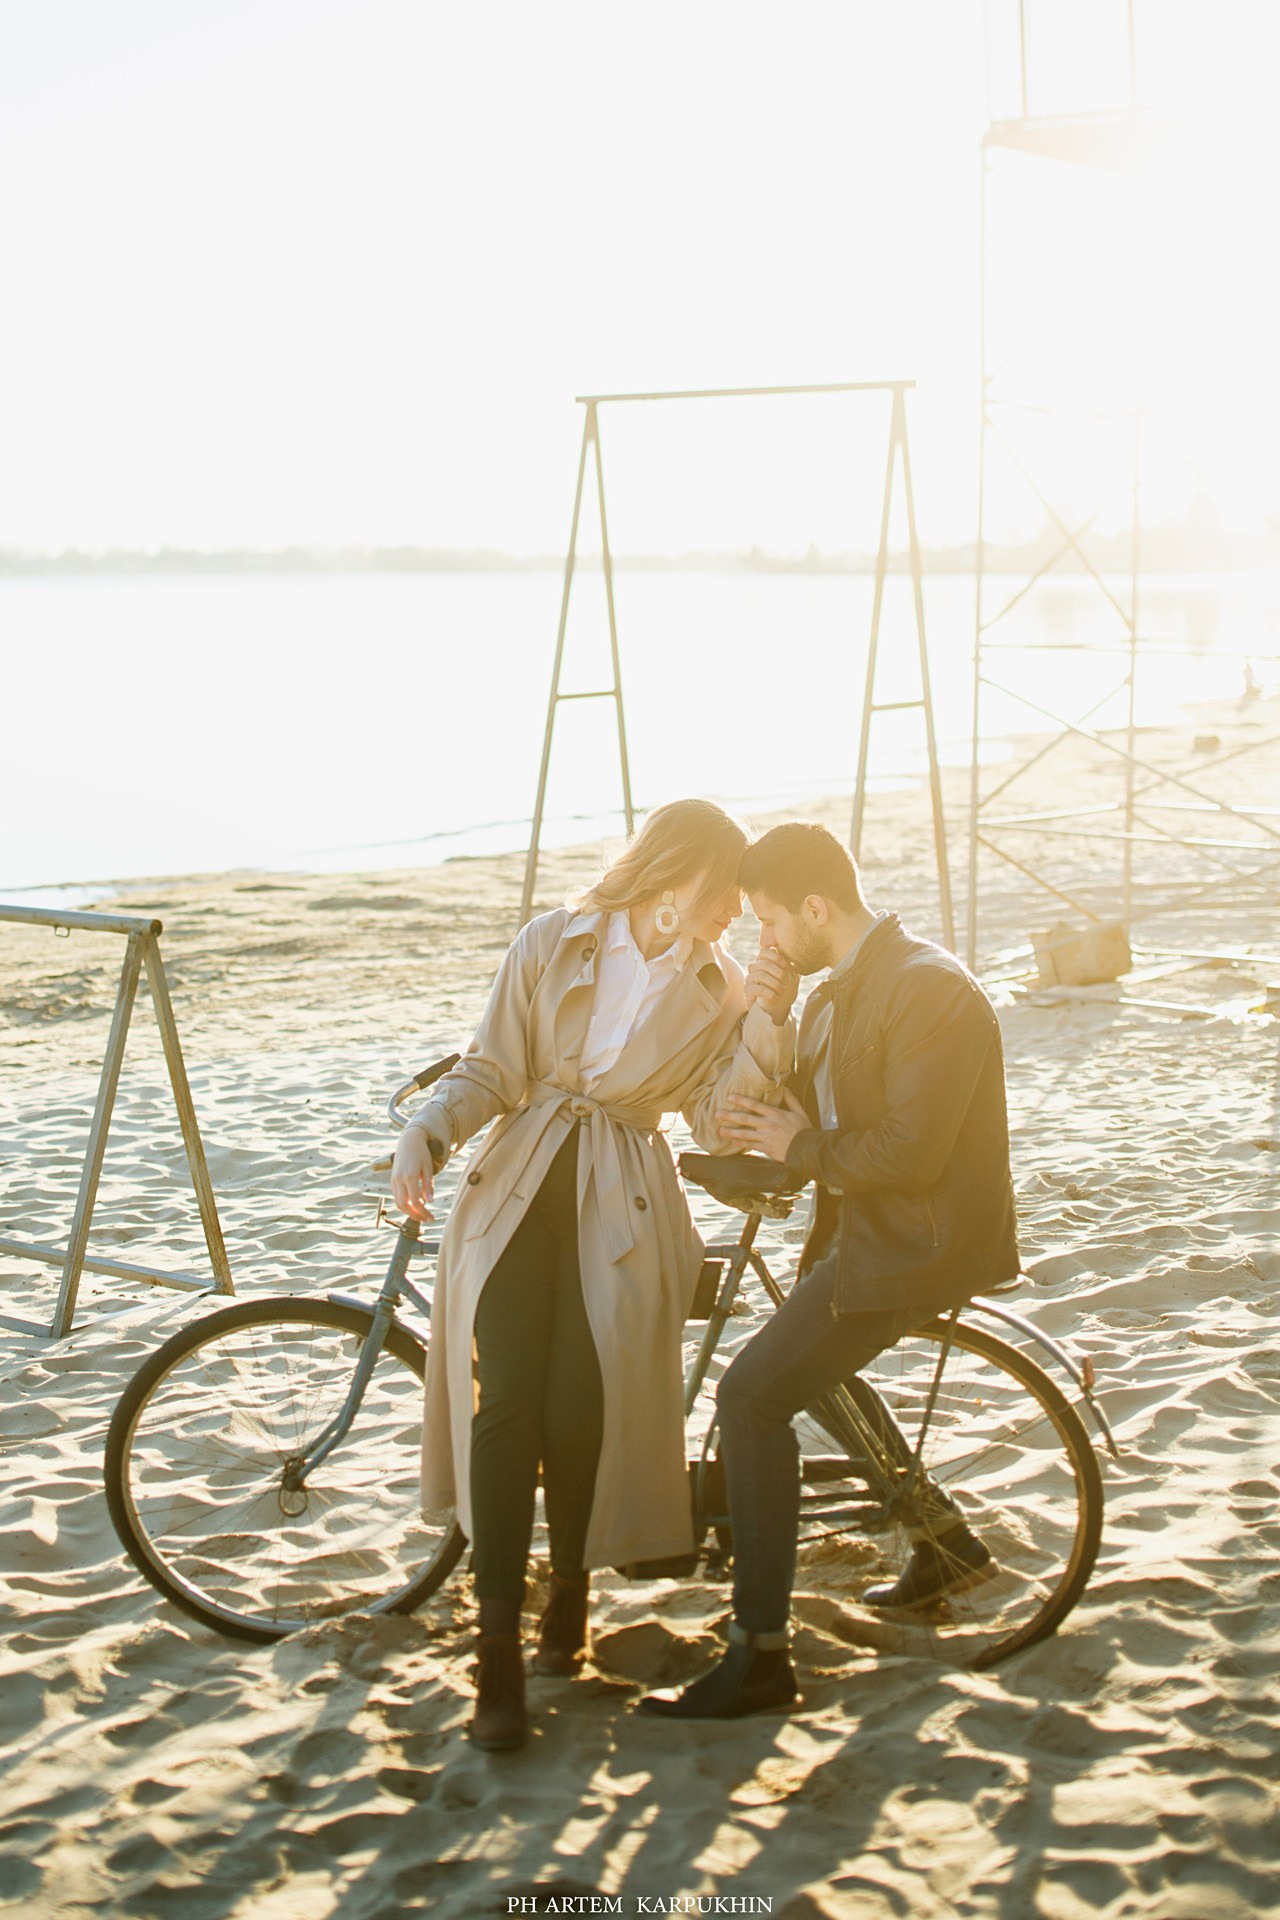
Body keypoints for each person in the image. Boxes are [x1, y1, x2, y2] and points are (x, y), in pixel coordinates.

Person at [391, 799, 796, 1750]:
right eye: (728, 887)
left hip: (624, 1203)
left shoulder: (724, 985)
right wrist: (428, 1133)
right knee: (505, 1409)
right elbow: (492, 1069)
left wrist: (770, 1014)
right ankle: (497, 1655)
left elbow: (717, 1113)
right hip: (519, 1188)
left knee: (580, 1410)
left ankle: (567, 1593)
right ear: (680, 872)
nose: (737, 908)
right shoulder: (553, 941)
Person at [641, 820, 1020, 1721]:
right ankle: (946, 1543)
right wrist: (767, 1012)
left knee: (749, 1398)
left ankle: (761, 1655)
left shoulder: (928, 988)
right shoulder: (837, 993)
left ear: (816, 908)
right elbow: (787, 1108)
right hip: (869, 1234)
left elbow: (911, 1152)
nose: (764, 945)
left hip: (917, 1240)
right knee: (805, 1370)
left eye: (770, 926)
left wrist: (802, 1145)